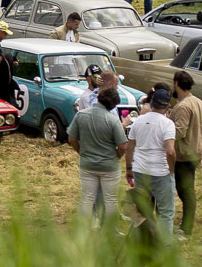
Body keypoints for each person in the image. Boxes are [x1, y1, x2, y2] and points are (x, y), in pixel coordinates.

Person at [69, 87, 130, 228]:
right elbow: (122, 146)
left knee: (87, 198)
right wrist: (117, 156)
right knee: (110, 199)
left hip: (87, 164)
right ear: (113, 105)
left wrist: (81, 152)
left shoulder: (81, 115)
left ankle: (84, 229)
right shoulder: (113, 120)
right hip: (109, 165)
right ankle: (111, 230)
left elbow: (72, 138)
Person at [126, 87, 178, 245]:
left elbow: (130, 147)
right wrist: (171, 170)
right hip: (160, 172)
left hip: (141, 170)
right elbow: (170, 151)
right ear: (168, 106)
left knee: (142, 209)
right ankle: (165, 246)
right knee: (165, 212)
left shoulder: (139, 121)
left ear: (152, 103)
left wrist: (128, 168)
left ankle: (140, 241)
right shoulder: (167, 124)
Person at [167, 69, 202, 237]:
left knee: (186, 191)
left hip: (184, 154)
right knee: (186, 190)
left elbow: (179, 132)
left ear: (177, 83)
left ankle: (186, 228)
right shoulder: (198, 101)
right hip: (196, 151)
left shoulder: (183, 106)